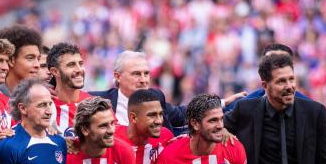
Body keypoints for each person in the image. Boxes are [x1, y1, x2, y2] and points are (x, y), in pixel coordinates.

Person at [91, 51, 244, 134]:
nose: (144, 80)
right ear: (118, 76)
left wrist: (221, 103)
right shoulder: (98, 101)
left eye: (146, 73)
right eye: (136, 74)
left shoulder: (157, 97)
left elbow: (183, 113)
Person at [47, 42, 91, 137]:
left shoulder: (96, 106)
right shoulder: (41, 107)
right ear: (54, 71)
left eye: (80, 64)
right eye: (71, 65)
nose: (79, 69)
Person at [0, 25, 42, 96]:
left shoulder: (44, 97)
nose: (37, 65)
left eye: (38, 59)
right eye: (30, 58)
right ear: (11, 60)